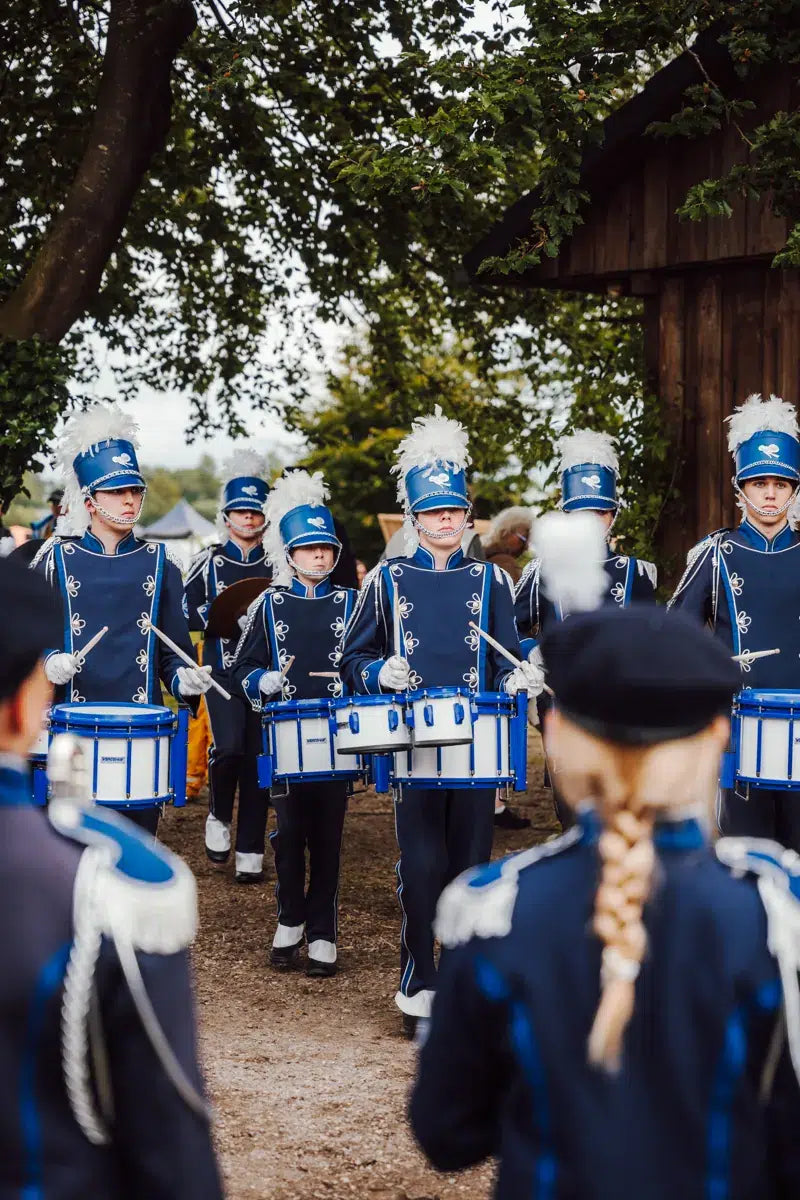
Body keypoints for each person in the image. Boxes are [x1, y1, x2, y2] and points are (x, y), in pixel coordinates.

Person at [411, 603, 800, 1197]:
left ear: (557, 733)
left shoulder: (495, 909)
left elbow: (447, 1132)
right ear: (720, 736)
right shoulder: (774, 909)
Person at [0, 555, 223, 1198]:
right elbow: (169, 1144)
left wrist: (184, 679)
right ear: (25, 707)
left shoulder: (158, 566)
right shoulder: (115, 886)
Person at [340, 407, 542, 1035]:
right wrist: (381, 675)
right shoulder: (387, 582)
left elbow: (510, 651)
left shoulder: (490, 580)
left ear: (467, 517)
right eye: (433, 512)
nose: (445, 521)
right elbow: (353, 659)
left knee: (472, 866)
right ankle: (417, 979)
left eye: (455, 511)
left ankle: (460, 986)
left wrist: (519, 675)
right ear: (415, 520)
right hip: (411, 745)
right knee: (421, 867)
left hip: (477, 749)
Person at [32, 402, 212, 833]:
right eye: (117, 492)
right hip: (70, 729)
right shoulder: (55, 559)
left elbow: (173, 653)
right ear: (90, 500)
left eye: (135, 490)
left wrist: (183, 680)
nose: (130, 500)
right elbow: (24, 642)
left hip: (138, 731)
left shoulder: (161, 563)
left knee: (134, 856)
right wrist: (48, 660)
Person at [232, 470, 358, 977]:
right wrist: (260, 679)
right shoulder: (268, 604)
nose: (320, 557)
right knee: (287, 834)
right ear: (289, 556)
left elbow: (366, 660)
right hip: (282, 738)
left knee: (329, 835)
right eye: (308, 550)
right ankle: (289, 917)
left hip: (336, 737)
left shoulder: (353, 603)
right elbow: (239, 667)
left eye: (326, 548)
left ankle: (323, 930)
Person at [670, 392, 800, 848]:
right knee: (747, 853)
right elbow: (675, 636)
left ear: (793, 490)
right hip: (738, 730)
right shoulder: (715, 552)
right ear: (739, 488)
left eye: (780, 484)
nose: (769, 493)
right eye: (759, 482)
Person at [515, 429, 657, 829]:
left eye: (599, 513)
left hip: (622, 711)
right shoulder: (540, 572)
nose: (591, 523)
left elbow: (653, 635)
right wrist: (532, 651)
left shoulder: (633, 574)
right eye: (581, 514)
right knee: (572, 812)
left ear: (612, 516)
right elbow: (513, 626)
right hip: (562, 709)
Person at [183, 453, 272, 882]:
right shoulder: (210, 559)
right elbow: (182, 608)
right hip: (221, 672)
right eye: (241, 510)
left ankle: (251, 847)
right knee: (230, 747)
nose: (249, 519)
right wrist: (218, 616)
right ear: (226, 515)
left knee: (259, 757)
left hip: (266, 676)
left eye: (256, 511)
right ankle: (218, 814)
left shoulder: (280, 563)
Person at [481, 505, 533, 584]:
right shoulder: (505, 563)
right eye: (523, 539)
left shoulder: (480, 554)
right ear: (505, 532)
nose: (526, 547)